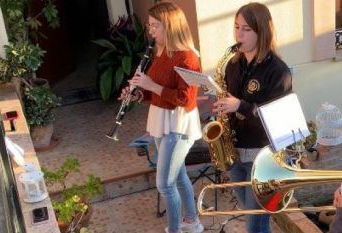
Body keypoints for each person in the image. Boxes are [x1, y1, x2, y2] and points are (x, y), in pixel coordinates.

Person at [118, 2, 203, 233]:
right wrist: (137, 93)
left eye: (155, 26)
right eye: (149, 26)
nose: (151, 31)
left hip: (178, 123)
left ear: (170, 26)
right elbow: (154, 90)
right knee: (179, 176)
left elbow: (185, 99)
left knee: (165, 184)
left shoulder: (188, 58)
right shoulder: (161, 51)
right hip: (161, 118)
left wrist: (150, 84)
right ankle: (192, 222)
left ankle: (175, 229)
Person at [212, 2, 292, 233]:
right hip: (234, 152)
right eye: (237, 27)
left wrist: (241, 105)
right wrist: (222, 107)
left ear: (262, 31)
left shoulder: (278, 71)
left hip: (262, 155)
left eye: (246, 29)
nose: (239, 34)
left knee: (255, 225)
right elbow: (230, 102)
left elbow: (278, 121)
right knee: (252, 219)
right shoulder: (232, 66)